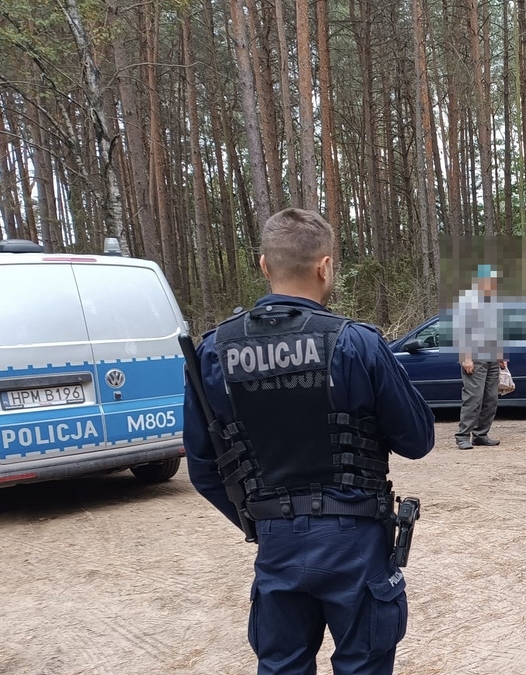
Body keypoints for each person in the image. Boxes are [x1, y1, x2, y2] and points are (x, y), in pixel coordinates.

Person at [182, 208, 436, 675]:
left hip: (275, 542)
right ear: (325, 266)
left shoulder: (214, 352)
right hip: (355, 542)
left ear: (264, 265)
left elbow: (202, 469)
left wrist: (258, 522)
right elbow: (417, 439)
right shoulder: (357, 343)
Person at [452, 264, 504, 450]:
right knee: (473, 398)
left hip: (491, 356)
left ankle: (481, 434)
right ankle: (462, 435)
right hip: (474, 356)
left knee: (491, 398)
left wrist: (500, 356)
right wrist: (466, 357)